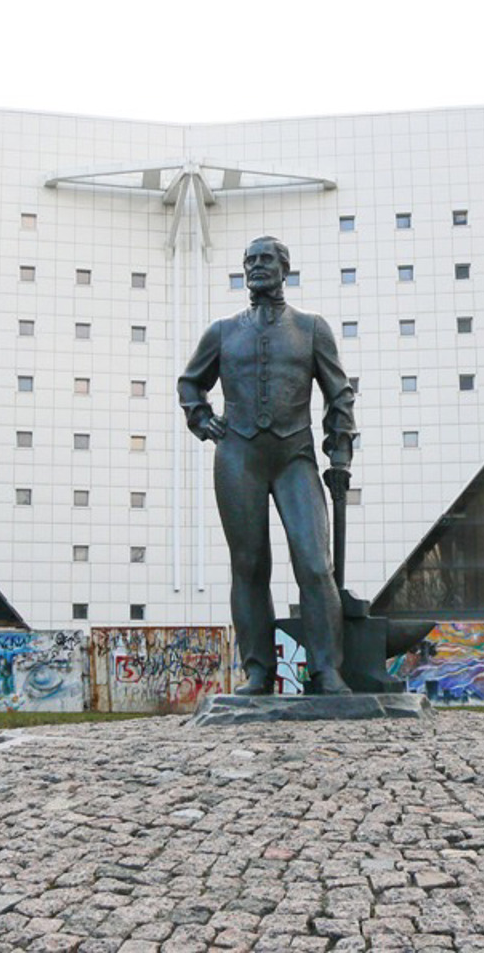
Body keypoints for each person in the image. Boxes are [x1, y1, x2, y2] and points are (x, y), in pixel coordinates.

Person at [178, 236, 355, 695]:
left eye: (265, 260)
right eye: (249, 260)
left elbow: (339, 394)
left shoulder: (312, 328)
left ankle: (325, 669)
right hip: (238, 456)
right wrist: (202, 419)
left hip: (295, 456)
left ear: (284, 268)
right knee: (249, 565)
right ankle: (258, 670)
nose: (256, 267)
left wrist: (340, 451)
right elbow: (190, 383)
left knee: (315, 564)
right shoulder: (222, 331)